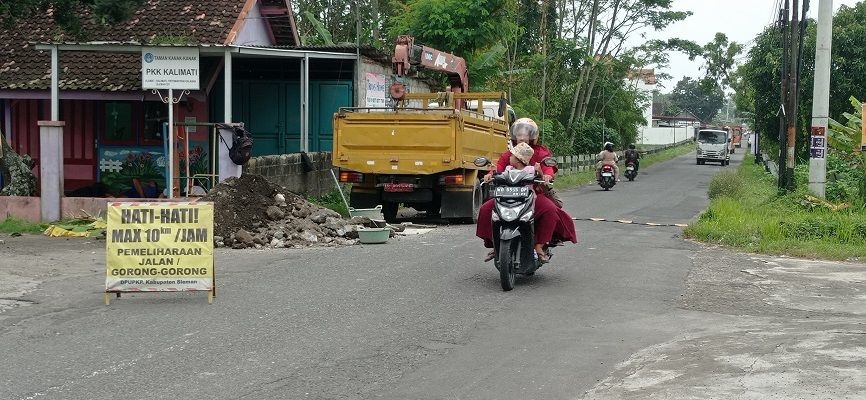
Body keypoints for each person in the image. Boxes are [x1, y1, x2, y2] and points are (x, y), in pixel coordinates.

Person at [476, 118, 577, 263]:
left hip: (532, 194)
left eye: (526, 134)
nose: (522, 137)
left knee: (550, 210)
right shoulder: (510, 153)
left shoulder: (541, 152)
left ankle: (539, 245)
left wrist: (546, 174)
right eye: (519, 134)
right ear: (514, 135)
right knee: (486, 209)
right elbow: (498, 167)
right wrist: (490, 175)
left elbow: (548, 166)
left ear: (533, 136)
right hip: (507, 193)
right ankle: (496, 244)